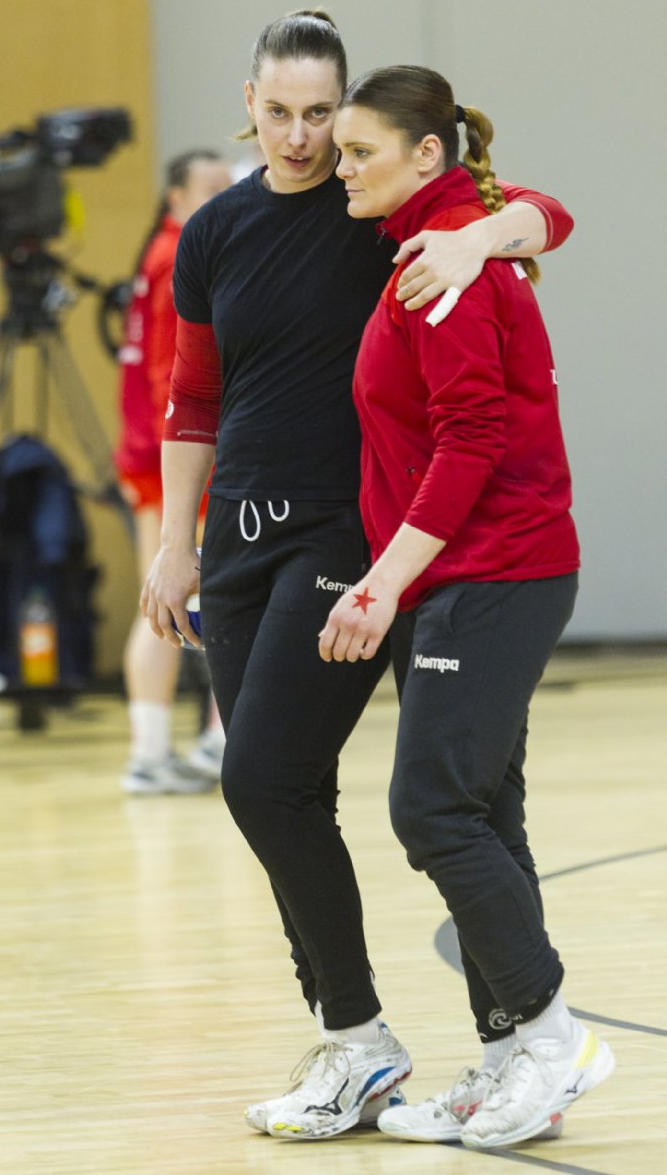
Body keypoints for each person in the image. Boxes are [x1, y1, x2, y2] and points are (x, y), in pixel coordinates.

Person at [141, 10, 575, 1141]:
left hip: (354, 538)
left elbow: (535, 209)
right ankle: (430, 1048)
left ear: (347, 116)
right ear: (247, 105)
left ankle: (405, 1041)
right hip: (240, 538)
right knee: (315, 793)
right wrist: (177, 538)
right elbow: (193, 395)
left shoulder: (375, 205)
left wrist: (483, 239)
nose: (302, 139)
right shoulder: (217, 227)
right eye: (280, 113)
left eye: (321, 115)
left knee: (272, 779)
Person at [320, 64, 613, 1150]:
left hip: (496, 572)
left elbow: (472, 443)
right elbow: (541, 211)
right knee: (485, 815)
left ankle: (552, 1037)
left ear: (427, 154)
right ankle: (506, 1062)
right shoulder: (438, 238)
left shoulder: (446, 262)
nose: (342, 168)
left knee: (433, 810)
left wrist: (381, 582)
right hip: (473, 574)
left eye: (360, 151)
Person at [115, 150, 231, 794]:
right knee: (181, 598)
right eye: (209, 190)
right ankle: (174, 750)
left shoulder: (163, 251)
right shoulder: (178, 256)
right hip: (172, 458)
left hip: (147, 455)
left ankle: (166, 750)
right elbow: (176, 381)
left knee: (175, 599)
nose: (224, 199)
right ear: (176, 199)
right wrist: (199, 456)